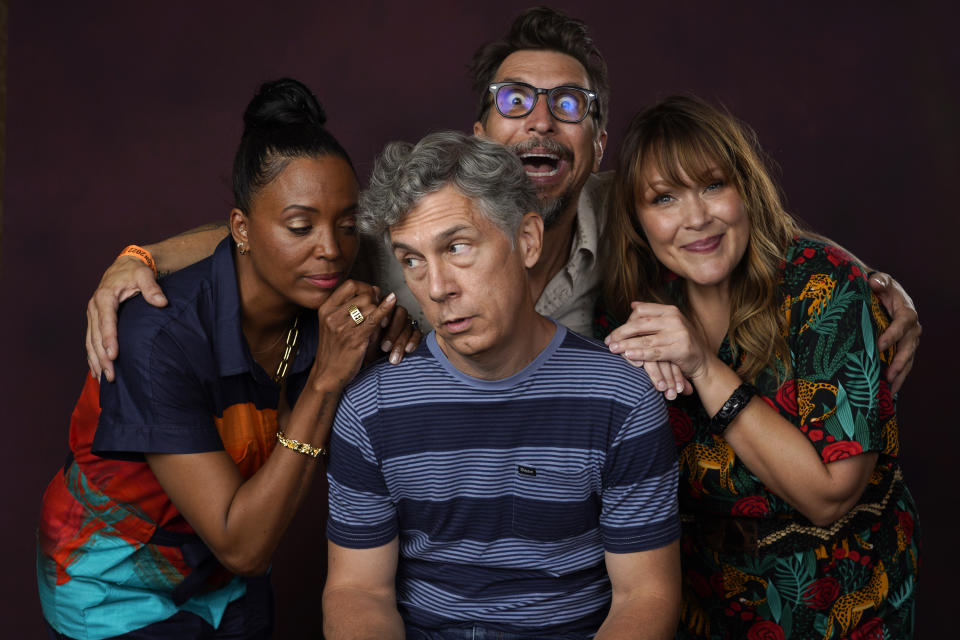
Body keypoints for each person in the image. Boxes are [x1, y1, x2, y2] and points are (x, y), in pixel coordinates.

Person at [80, 7, 922, 396]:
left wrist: (871, 274)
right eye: (515, 101)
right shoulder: (416, 226)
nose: (542, 122)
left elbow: (734, 221)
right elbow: (286, 237)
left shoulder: (628, 211)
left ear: (597, 143)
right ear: (478, 132)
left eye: (570, 105)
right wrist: (138, 258)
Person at [37, 78, 418, 639]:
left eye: (345, 224)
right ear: (240, 228)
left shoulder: (326, 298)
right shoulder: (154, 335)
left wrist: (393, 331)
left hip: (224, 585)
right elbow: (243, 544)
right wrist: (326, 383)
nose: (332, 249)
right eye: (300, 226)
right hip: (112, 589)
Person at [321, 131, 681, 639]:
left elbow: (646, 596)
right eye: (412, 260)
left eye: (458, 246)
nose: (438, 287)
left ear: (527, 240)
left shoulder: (620, 399)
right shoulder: (371, 410)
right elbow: (358, 591)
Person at [598, 95, 920, 639]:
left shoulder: (824, 289)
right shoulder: (633, 308)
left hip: (839, 603)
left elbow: (829, 495)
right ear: (637, 219)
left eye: (713, 185)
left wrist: (702, 365)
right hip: (699, 605)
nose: (696, 218)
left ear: (746, 187)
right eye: (664, 198)